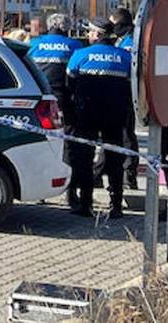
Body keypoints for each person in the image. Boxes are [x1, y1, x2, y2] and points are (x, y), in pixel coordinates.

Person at [66, 18, 131, 218]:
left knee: (84, 159)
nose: (88, 35)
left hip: (87, 115)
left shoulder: (80, 55)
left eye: (91, 32)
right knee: (115, 159)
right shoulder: (124, 57)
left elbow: (70, 85)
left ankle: (85, 204)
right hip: (115, 115)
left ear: (98, 34)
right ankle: (116, 206)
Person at [28, 13, 83, 208]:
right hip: (66, 101)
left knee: (39, 144)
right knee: (70, 146)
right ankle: (71, 193)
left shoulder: (34, 43)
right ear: (66, 28)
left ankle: (38, 191)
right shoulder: (75, 46)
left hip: (40, 102)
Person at [98, 7, 139, 189]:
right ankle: (99, 171)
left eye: (113, 24)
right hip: (116, 94)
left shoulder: (130, 42)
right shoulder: (122, 40)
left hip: (127, 94)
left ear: (121, 25)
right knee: (111, 135)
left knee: (126, 135)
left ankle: (129, 174)